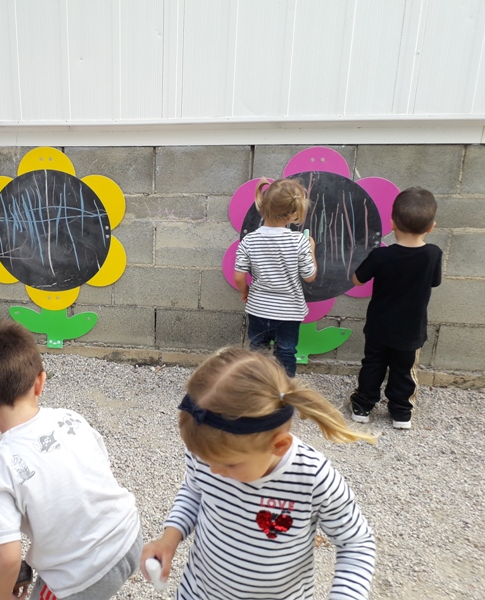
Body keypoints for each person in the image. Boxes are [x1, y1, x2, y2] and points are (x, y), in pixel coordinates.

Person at [142, 347, 376, 600]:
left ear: (279, 446)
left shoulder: (312, 477)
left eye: (230, 465)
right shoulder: (209, 454)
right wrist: (170, 538)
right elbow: (194, 491)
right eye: (205, 461)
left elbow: (356, 544)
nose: (214, 471)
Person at [0, 320, 141, 600]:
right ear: (40, 382)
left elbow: (6, 558)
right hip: (129, 536)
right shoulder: (71, 419)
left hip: (81, 574)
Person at [349, 187, 443, 430]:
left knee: (373, 364)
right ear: (431, 227)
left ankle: (362, 407)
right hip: (411, 330)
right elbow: (434, 282)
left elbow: (357, 280)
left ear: (392, 224)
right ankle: (401, 413)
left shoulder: (381, 255)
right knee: (403, 370)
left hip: (379, 327)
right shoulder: (433, 254)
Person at [234, 178, 317, 377]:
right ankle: (284, 388)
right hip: (289, 313)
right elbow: (309, 277)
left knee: (257, 350)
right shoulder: (299, 241)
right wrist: (312, 249)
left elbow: (238, 277)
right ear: (293, 214)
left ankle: (257, 386)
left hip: (258, 308)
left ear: (263, 206)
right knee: (286, 352)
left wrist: (245, 291)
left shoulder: (249, 240)